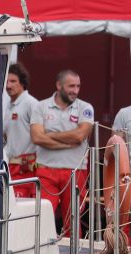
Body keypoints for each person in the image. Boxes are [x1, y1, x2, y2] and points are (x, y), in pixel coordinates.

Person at [30, 69, 94, 237]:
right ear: (59, 85)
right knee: (42, 215)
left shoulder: (86, 107)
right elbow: (36, 137)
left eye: (78, 86)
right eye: (71, 86)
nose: (76, 90)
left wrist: (49, 136)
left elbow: (80, 136)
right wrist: (68, 141)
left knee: (72, 220)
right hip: (46, 170)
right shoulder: (40, 106)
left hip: (75, 171)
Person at [4, 63, 37, 199]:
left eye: (13, 81)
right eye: (6, 81)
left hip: (26, 169)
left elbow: (42, 135)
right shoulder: (9, 106)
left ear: (23, 83)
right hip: (11, 168)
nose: (8, 85)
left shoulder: (31, 104)